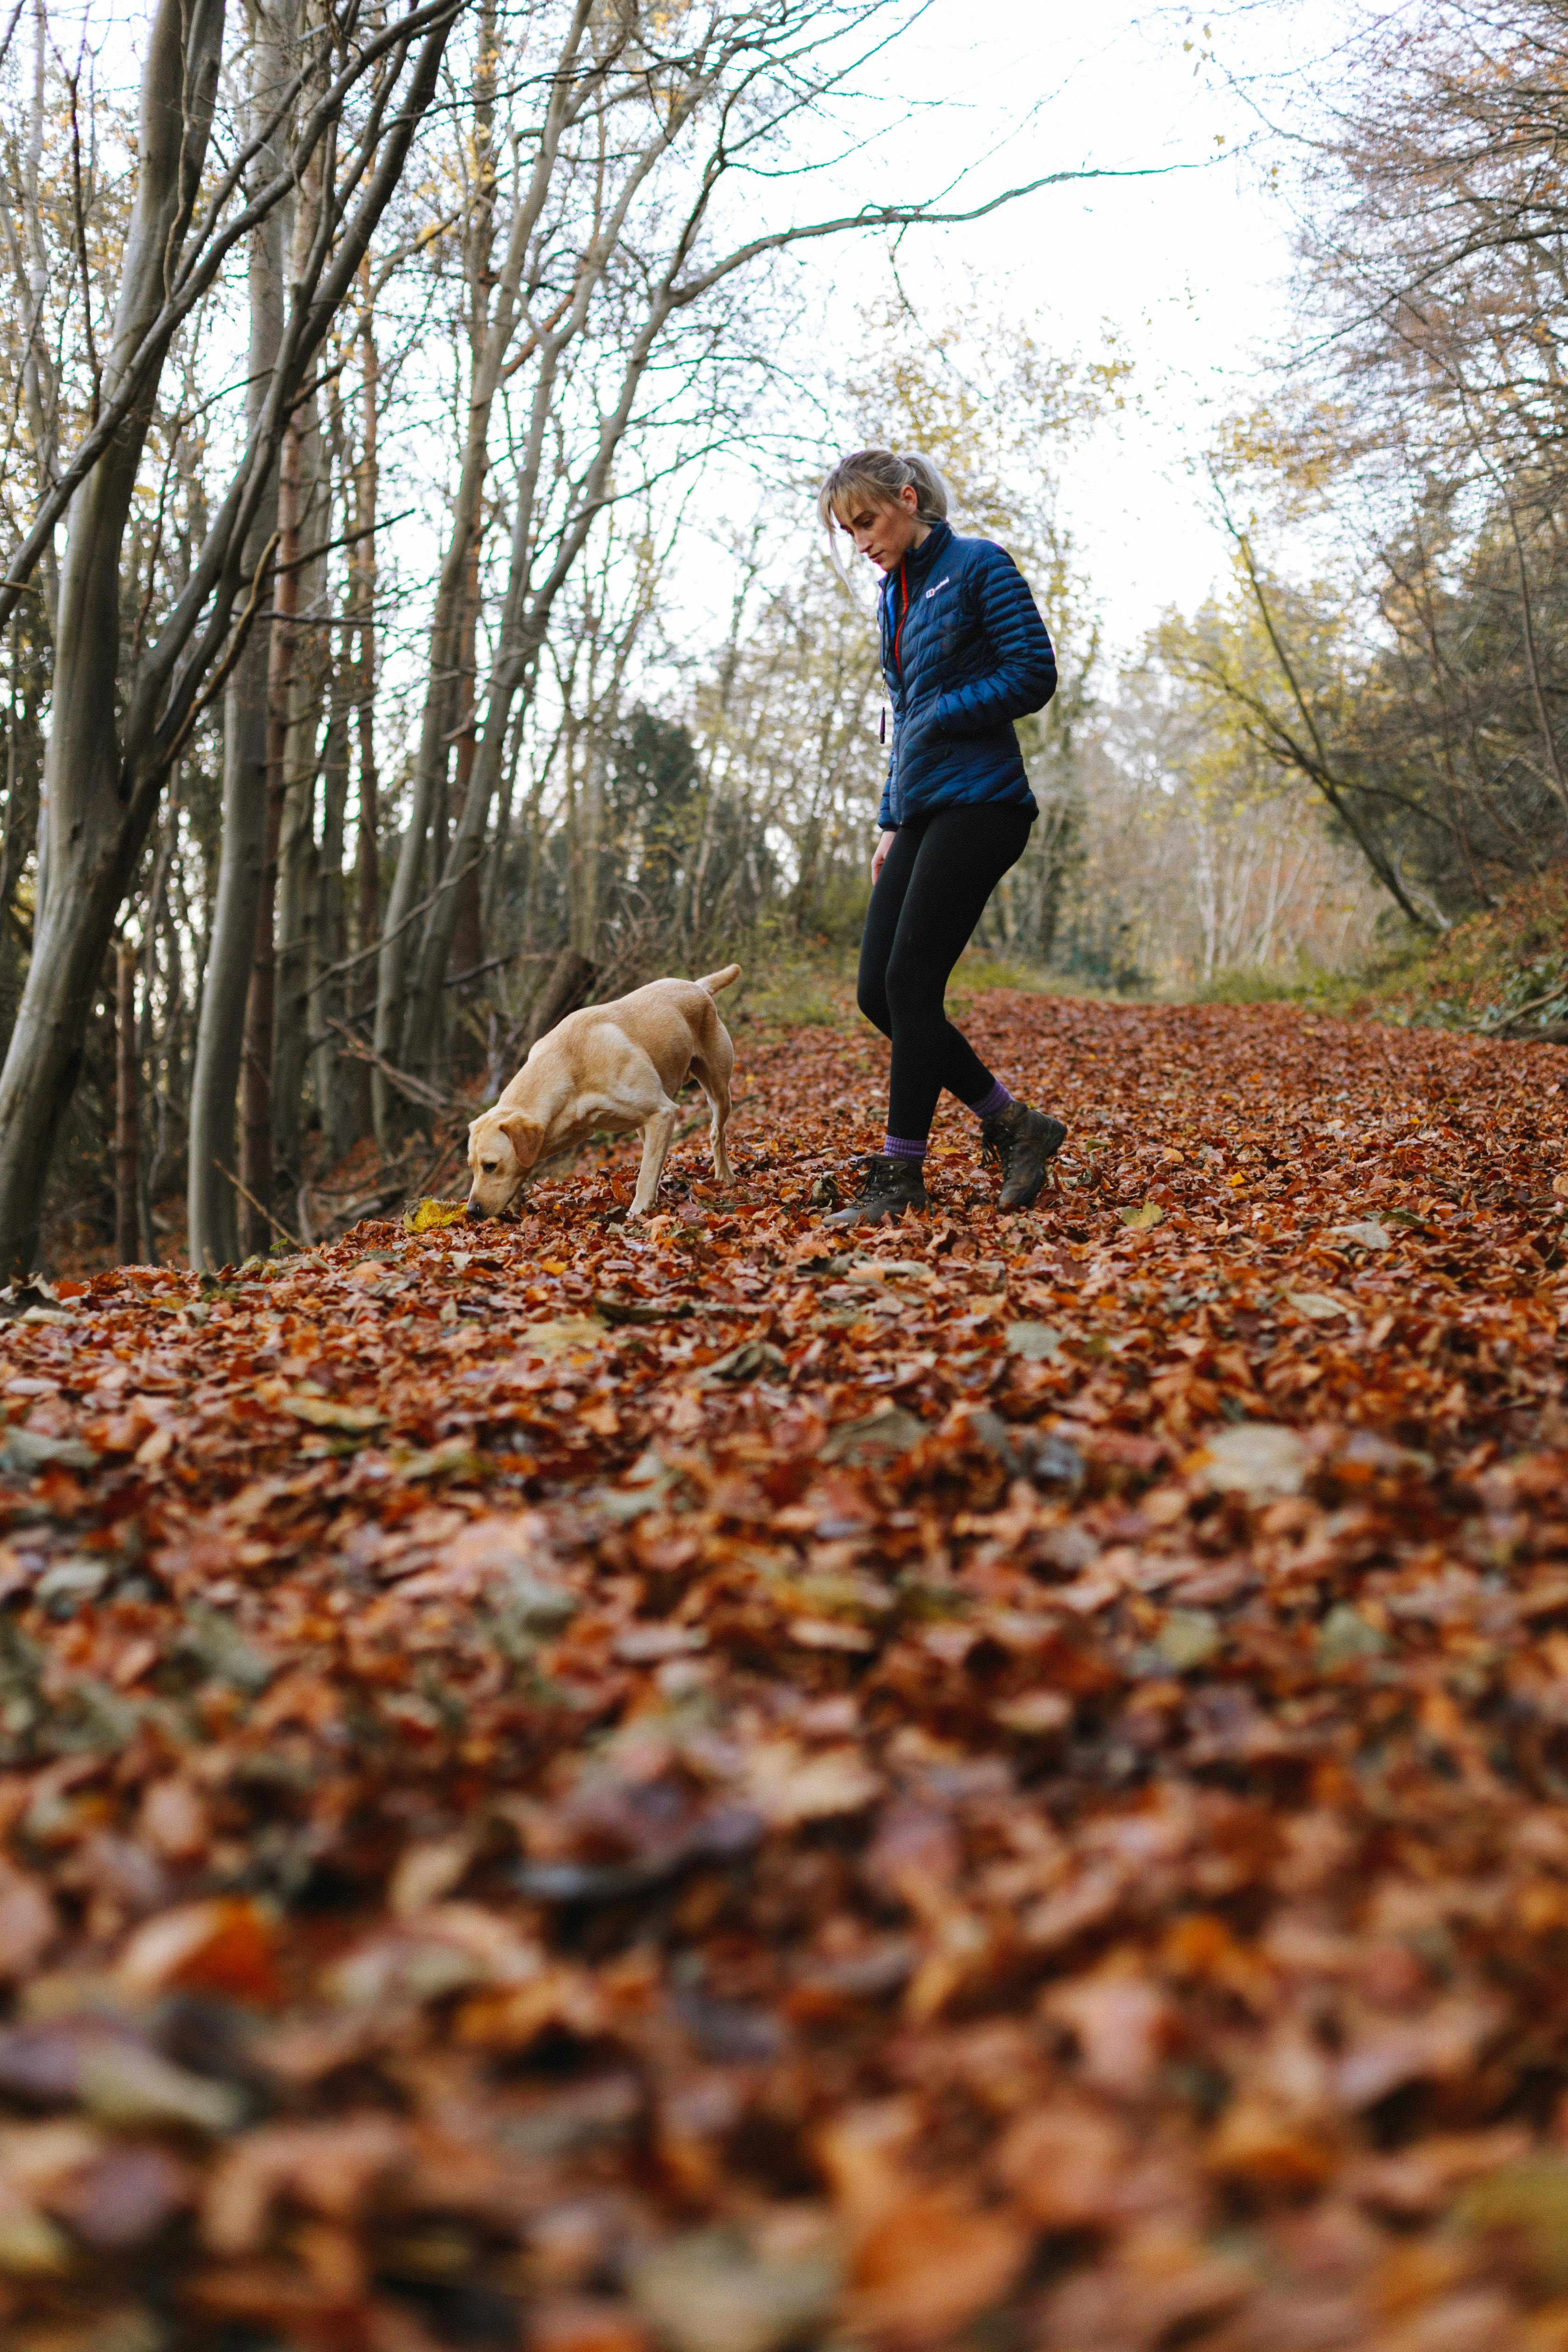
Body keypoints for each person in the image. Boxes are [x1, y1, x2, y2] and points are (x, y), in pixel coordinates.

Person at [817, 447, 1067, 1227]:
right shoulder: (892, 599)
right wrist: (890, 819)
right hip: (923, 808)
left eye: (867, 520)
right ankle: (1016, 1125)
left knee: (911, 986)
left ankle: (901, 1175)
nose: (861, 540)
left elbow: (1034, 673)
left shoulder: (980, 565)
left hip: (985, 805)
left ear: (907, 497)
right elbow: (901, 717)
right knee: (878, 994)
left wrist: (944, 712)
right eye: (847, 530)